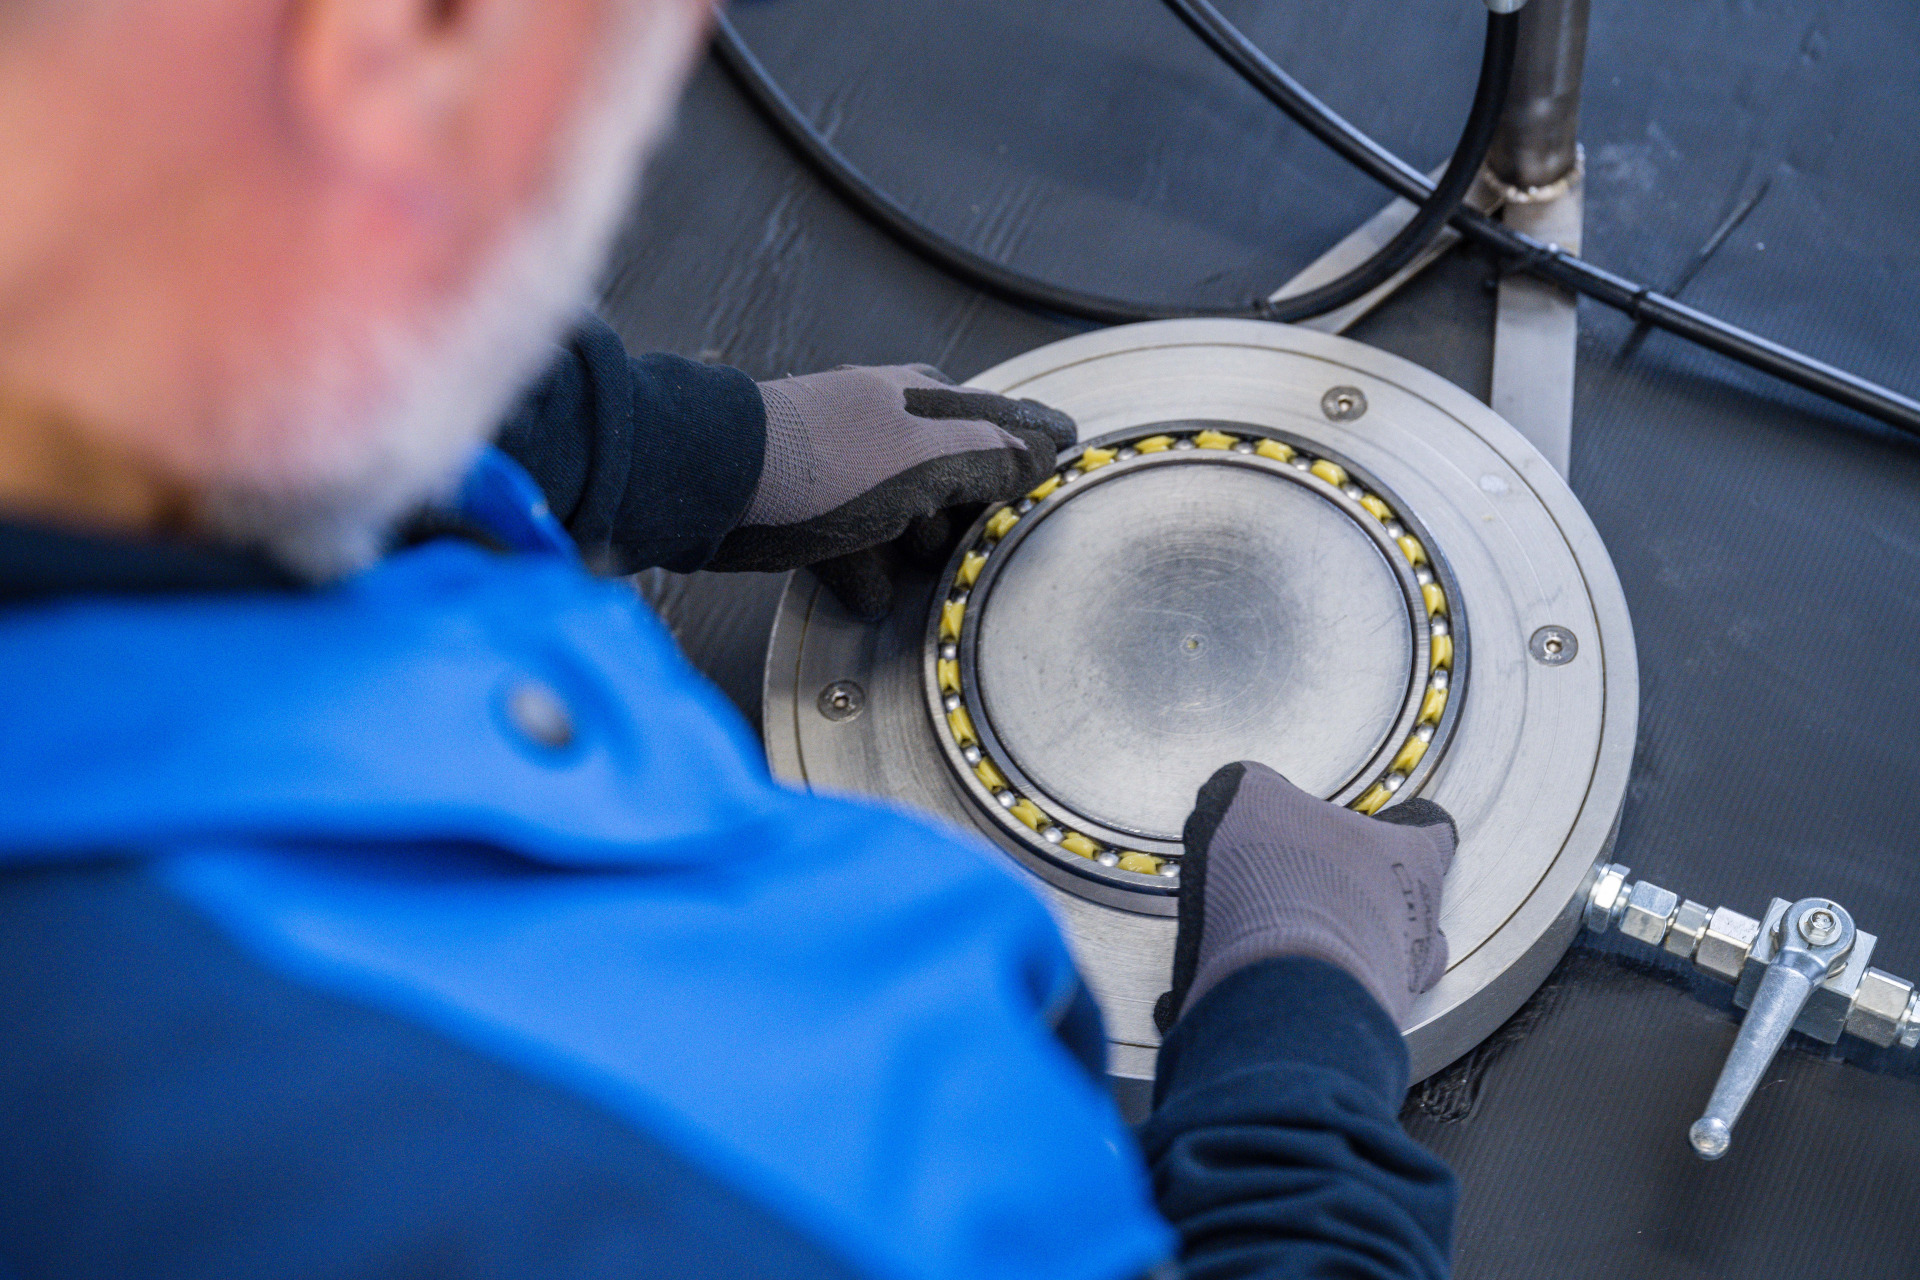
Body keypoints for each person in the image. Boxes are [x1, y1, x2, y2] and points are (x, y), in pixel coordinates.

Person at [0, 0, 1458, 1277]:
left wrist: (683, 450)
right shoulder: (704, 1155)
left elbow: (225, 266)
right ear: (402, 38)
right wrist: (1298, 1028)